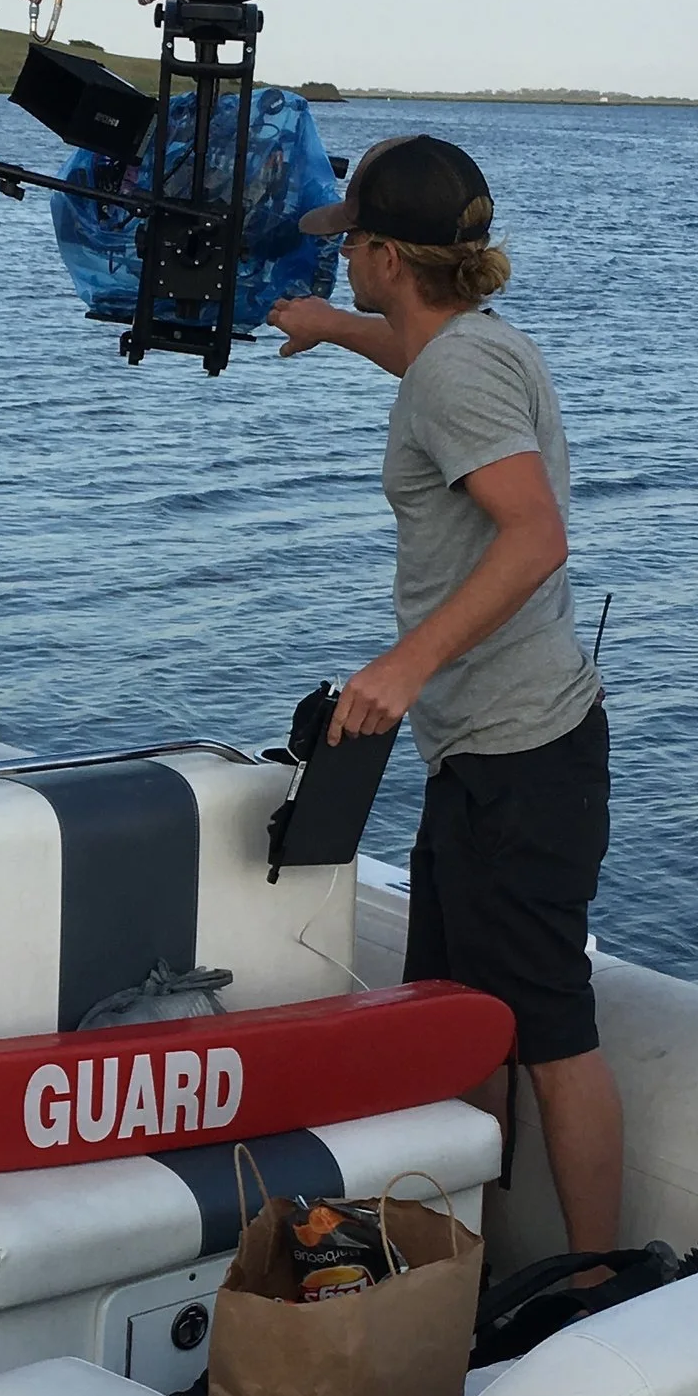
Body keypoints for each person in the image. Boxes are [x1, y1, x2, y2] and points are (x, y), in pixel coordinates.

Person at [271, 135, 622, 1258]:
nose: (342, 262)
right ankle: (467, 1270)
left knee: (550, 1035)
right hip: (488, 752)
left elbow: (535, 536)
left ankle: (596, 1284)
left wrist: (404, 665)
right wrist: (331, 329)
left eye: (351, 249)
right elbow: (419, 364)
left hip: (520, 755)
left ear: (386, 255)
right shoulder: (466, 344)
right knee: (461, 1020)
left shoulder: (456, 373)